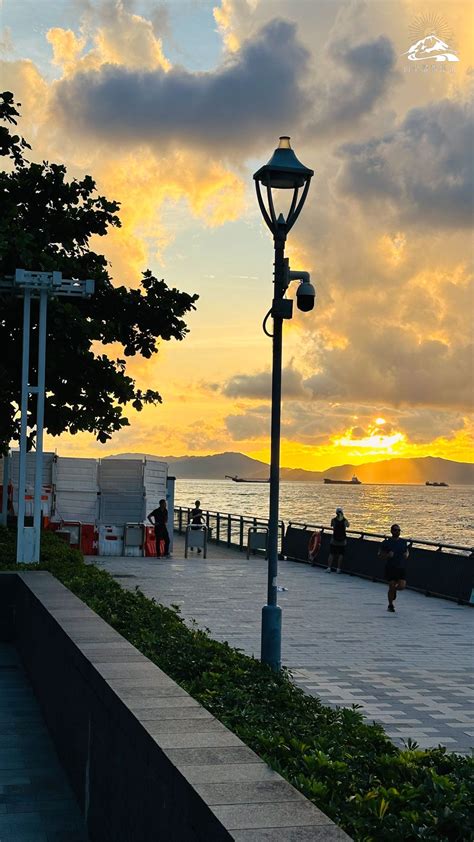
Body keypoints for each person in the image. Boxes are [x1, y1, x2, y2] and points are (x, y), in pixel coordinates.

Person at [378, 524, 409, 612]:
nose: (397, 532)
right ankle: (390, 605)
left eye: (399, 530)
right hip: (390, 567)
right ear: (391, 531)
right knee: (391, 584)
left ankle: (394, 590)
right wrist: (388, 555)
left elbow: (406, 551)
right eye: (395, 530)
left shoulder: (403, 542)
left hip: (401, 567)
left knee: (402, 586)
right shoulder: (386, 543)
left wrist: (406, 554)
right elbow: (379, 554)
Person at [326, 507, 349, 573]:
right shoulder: (345, 520)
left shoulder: (333, 520)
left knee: (331, 554)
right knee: (341, 555)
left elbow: (332, 525)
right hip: (342, 541)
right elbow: (348, 525)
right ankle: (338, 569)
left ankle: (329, 568)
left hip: (334, 540)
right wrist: (343, 517)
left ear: (336, 513)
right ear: (342, 513)